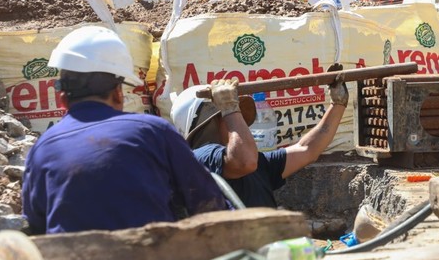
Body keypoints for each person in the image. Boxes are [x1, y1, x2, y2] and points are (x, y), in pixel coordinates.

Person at [22, 25, 228, 234]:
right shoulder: (154, 131)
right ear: (118, 94)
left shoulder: (41, 149)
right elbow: (209, 205)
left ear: (63, 99)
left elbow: (36, 227)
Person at [170, 67, 348, 209]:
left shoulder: (256, 164)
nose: (235, 120)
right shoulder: (200, 159)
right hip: (240, 253)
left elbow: (307, 150)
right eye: (225, 115)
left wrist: (337, 104)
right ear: (208, 122)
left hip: (263, 251)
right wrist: (230, 108)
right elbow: (245, 162)